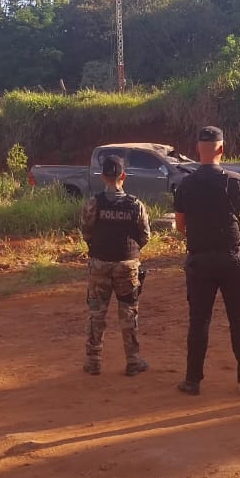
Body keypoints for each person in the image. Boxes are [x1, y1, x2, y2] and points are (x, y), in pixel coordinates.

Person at [172, 126, 240, 396]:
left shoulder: (185, 184)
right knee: (239, 319)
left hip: (199, 261)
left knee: (199, 320)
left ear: (197, 149)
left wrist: (201, 239)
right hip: (233, 260)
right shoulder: (236, 181)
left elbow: (180, 226)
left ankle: (192, 381)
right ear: (222, 149)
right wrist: (236, 241)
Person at [79, 156, 152, 377]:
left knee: (96, 313)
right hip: (127, 265)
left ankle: (93, 362)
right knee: (128, 313)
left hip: (100, 264)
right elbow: (145, 236)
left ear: (103, 176)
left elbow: (86, 231)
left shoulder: (94, 203)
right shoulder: (135, 205)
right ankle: (133, 361)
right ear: (123, 176)